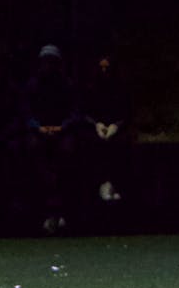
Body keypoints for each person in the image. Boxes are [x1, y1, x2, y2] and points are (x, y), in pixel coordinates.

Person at [19, 44, 86, 233]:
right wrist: (38, 127)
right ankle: (42, 208)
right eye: (45, 63)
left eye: (52, 62)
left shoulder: (67, 85)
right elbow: (26, 112)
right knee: (33, 152)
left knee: (68, 154)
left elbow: (75, 112)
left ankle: (65, 209)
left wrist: (62, 127)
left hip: (62, 132)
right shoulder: (33, 85)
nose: (48, 66)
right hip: (39, 132)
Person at [83, 54, 132, 203]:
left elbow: (127, 111)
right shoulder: (91, 88)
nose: (104, 71)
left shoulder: (120, 88)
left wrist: (116, 125)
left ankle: (115, 184)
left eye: (107, 67)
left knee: (119, 145)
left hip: (116, 127)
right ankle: (102, 183)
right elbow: (85, 112)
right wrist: (96, 124)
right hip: (95, 128)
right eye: (101, 67)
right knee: (96, 145)